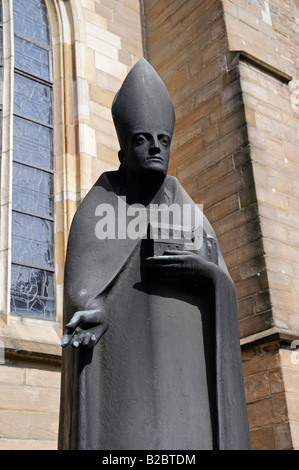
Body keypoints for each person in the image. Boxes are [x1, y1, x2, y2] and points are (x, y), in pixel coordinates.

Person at [58, 59, 251, 450]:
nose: (155, 148)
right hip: (124, 379)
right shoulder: (100, 206)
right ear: (123, 152)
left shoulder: (187, 207)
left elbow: (223, 281)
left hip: (188, 380)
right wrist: (91, 308)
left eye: (163, 140)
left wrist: (208, 276)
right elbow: (83, 286)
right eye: (143, 139)